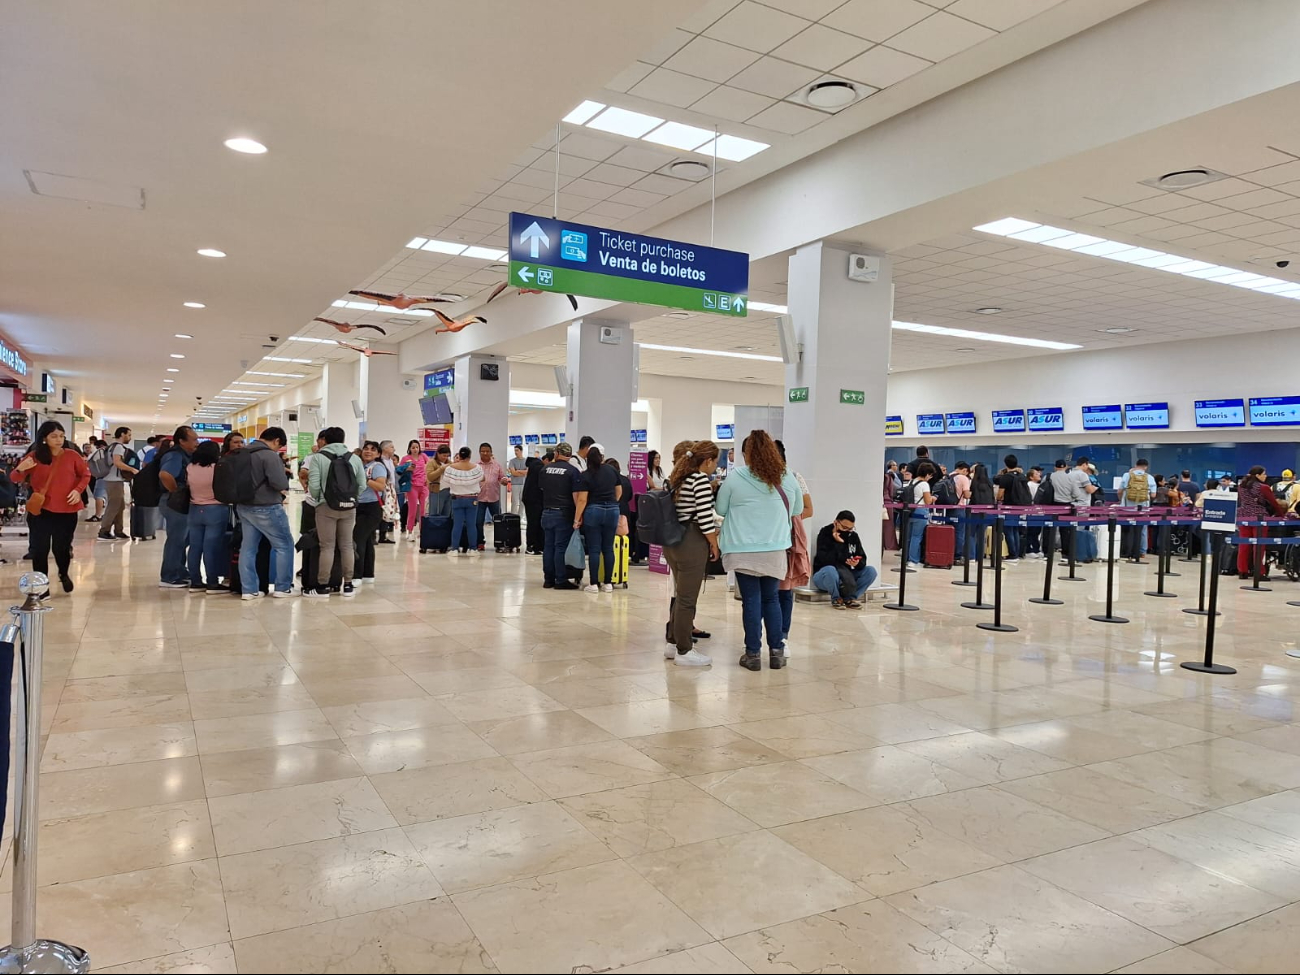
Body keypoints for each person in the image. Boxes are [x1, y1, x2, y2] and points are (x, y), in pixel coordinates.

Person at [715, 430, 802, 671]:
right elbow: (797, 509)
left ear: (747, 454)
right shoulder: (786, 476)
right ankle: (776, 652)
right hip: (775, 547)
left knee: (751, 600)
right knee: (772, 598)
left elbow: (720, 508)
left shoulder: (735, 477)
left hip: (742, 548)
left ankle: (753, 654)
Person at [10, 420, 90, 597]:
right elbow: (15, 478)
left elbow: (85, 474)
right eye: (54, 436)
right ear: (44, 438)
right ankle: (42, 585)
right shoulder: (34, 456)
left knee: (61, 548)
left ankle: (63, 573)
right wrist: (20, 469)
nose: (59, 439)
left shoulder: (71, 455)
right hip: (42, 510)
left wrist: (78, 491)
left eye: (61, 436)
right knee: (40, 549)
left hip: (67, 510)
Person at [662, 440, 719, 667]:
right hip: (691, 543)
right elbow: (705, 519)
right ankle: (685, 650)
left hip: (672, 543)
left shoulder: (677, 478)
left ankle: (672, 642)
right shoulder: (700, 481)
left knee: (679, 594)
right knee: (687, 599)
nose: (715, 466)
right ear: (707, 461)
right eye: (715, 461)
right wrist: (714, 544)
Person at [303, 427, 365, 598]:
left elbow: (314, 484)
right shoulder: (354, 458)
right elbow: (362, 484)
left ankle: (322, 587)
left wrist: (320, 500)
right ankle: (348, 585)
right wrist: (353, 498)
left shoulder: (319, 458)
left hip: (326, 507)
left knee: (327, 546)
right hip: (349, 508)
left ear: (326, 440)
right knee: (346, 545)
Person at [235, 427, 294, 599]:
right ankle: (282, 588)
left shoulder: (241, 453)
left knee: (248, 548)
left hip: (243, 506)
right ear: (276, 440)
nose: (278, 449)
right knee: (284, 545)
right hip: (267, 506)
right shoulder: (269, 455)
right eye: (279, 446)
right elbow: (279, 483)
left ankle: (249, 589)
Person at [774, 440, 813, 653]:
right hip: (765, 542)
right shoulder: (754, 479)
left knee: (785, 590)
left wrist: (789, 520)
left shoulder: (795, 477)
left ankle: (782, 636)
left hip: (788, 541)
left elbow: (808, 509)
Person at [183, 441, 229, 594]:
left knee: (195, 547)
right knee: (211, 547)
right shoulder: (218, 468)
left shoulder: (190, 467)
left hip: (195, 509)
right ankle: (212, 583)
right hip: (215, 509)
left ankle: (195, 582)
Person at [539, 442, 585, 589]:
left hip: (546, 512)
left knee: (548, 546)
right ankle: (560, 580)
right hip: (563, 513)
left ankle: (548, 579)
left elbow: (542, 489)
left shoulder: (545, 469)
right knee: (560, 547)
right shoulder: (573, 471)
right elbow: (575, 496)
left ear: (556, 454)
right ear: (570, 455)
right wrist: (578, 517)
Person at [158, 425, 199, 589]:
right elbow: (165, 474)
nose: (197, 442)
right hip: (174, 501)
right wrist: (175, 491)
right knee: (176, 539)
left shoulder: (186, 455)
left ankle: (180, 571)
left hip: (179, 501)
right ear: (181, 441)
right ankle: (169, 576)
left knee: (183, 539)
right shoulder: (175, 456)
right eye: (194, 439)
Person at [578, 444, 621, 593]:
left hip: (593, 511)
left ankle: (594, 584)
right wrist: (611, 503)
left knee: (595, 549)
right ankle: (608, 583)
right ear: (602, 457)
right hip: (612, 510)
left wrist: (577, 518)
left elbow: (582, 499)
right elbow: (619, 491)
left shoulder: (586, 474)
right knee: (608, 549)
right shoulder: (612, 470)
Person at [813, 511, 878, 609]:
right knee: (830, 570)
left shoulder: (853, 536)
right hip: (826, 575)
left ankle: (850, 598)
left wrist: (857, 563)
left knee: (871, 571)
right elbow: (825, 560)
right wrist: (839, 543)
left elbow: (862, 558)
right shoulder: (825, 534)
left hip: (847, 575)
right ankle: (836, 598)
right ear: (836, 523)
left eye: (850, 528)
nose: (847, 531)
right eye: (844, 528)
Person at [1236, 465, 1286, 579]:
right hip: (1259, 517)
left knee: (1243, 545)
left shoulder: (1241, 486)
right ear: (1258, 475)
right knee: (1259, 546)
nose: (1266, 476)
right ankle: (1259, 572)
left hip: (1243, 516)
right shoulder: (1263, 487)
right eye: (1264, 474)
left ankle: (1242, 571)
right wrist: (1281, 515)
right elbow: (1274, 503)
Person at [353, 441, 388, 581]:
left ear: (378, 454)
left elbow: (380, 486)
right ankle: (368, 574)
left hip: (372, 507)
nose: (368, 451)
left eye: (373, 450)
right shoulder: (361, 466)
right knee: (366, 540)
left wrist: (365, 479)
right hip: (359, 506)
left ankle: (356, 576)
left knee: (357, 539)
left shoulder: (377, 467)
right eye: (366, 449)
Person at [1051, 457, 1097, 561]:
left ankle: (1067, 552)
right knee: (1078, 530)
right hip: (1082, 504)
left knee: (1066, 529)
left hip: (1066, 505)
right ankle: (1076, 553)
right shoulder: (1082, 474)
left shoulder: (1069, 474)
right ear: (1085, 464)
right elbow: (1089, 490)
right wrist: (1094, 488)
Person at [443, 446, 485, 557]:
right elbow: (483, 479)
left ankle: (455, 549)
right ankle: (473, 549)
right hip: (472, 499)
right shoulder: (477, 468)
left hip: (457, 499)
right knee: (472, 525)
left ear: (459, 456)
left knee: (457, 524)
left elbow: (446, 480)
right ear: (470, 456)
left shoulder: (450, 468)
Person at [97, 425, 135, 541]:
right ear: (122, 434)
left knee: (120, 505)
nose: (129, 437)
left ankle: (119, 530)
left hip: (114, 480)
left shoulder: (112, 446)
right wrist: (132, 469)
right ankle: (104, 531)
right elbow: (117, 463)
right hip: (114, 480)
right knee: (113, 506)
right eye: (128, 435)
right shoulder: (118, 447)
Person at [994, 453, 1032, 564]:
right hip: (1020, 506)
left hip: (1009, 506)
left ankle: (1013, 554)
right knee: (1015, 529)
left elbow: (1000, 494)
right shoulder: (1022, 476)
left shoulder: (1006, 477)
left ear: (1005, 464)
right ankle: (1017, 553)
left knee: (1008, 530)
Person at [1120, 458, 1157, 563]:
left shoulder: (1127, 475)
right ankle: (1141, 551)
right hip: (1143, 508)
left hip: (1127, 507)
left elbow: (1119, 491)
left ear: (1136, 465)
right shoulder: (1149, 477)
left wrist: (1122, 500)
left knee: (1127, 530)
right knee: (1143, 530)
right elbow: (1153, 495)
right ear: (1146, 467)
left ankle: (1126, 550)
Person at [475, 442, 508, 551]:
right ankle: (480, 543)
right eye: (483, 451)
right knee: (478, 522)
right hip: (479, 498)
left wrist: (504, 481)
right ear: (479, 452)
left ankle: (499, 543)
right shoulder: (475, 466)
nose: (485, 453)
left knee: (499, 522)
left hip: (494, 498)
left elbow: (502, 478)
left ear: (491, 452)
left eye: (487, 451)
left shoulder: (497, 465)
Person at [906, 461, 937, 565]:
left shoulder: (912, 481)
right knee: (917, 536)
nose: (930, 478)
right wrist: (933, 498)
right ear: (927, 474)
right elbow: (928, 501)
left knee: (909, 537)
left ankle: (906, 559)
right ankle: (913, 560)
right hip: (921, 511)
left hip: (910, 510)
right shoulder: (924, 484)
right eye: (931, 475)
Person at [522, 450, 549, 555]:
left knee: (535, 522)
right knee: (535, 523)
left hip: (531, 498)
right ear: (547, 460)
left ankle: (536, 546)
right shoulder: (539, 467)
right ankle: (533, 546)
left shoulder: (534, 465)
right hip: (534, 499)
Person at [401, 439, 428, 540]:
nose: (415, 449)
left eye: (417, 447)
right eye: (413, 447)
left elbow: (429, 467)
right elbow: (399, 470)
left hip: (423, 486)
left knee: (423, 511)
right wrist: (407, 469)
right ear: (409, 449)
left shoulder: (423, 457)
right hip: (412, 486)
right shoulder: (406, 458)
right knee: (412, 510)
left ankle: (423, 531)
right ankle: (410, 531)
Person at [376, 441, 398, 543]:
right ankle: (376, 534)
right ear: (384, 449)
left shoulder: (390, 461)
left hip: (390, 488)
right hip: (383, 488)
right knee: (381, 511)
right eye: (392, 447)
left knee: (388, 510)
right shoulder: (380, 461)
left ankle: (383, 534)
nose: (394, 449)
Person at [1024, 466, 1045, 558]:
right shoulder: (1029, 484)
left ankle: (1036, 548)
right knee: (1031, 531)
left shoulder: (1040, 485)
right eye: (1036, 474)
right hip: (1031, 511)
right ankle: (1029, 549)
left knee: (1037, 531)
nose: (1039, 475)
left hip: (1039, 512)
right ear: (1031, 477)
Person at [425, 443, 452, 517]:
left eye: (447, 456)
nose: (445, 458)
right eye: (443, 455)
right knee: (435, 514)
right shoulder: (431, 462)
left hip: (449, 491)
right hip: (437, 491)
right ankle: (434, 529)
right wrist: (441, 469)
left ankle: (445, 528)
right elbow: (430, 477)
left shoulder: (450, 463)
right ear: (438, 454)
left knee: (446, 514)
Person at [508, 444, 528, 515]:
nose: (515, 452)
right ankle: (513, 516)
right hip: (515, 484)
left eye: (517, 450)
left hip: (524, 483)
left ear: (521, 451)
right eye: (515, 450)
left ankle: (520, 517)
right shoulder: (512, 461)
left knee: (522, 502)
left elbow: (528, 472)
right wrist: (523, 472)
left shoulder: (526, 461)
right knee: (514, 502)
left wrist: (518, 471)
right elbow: (513, 473)